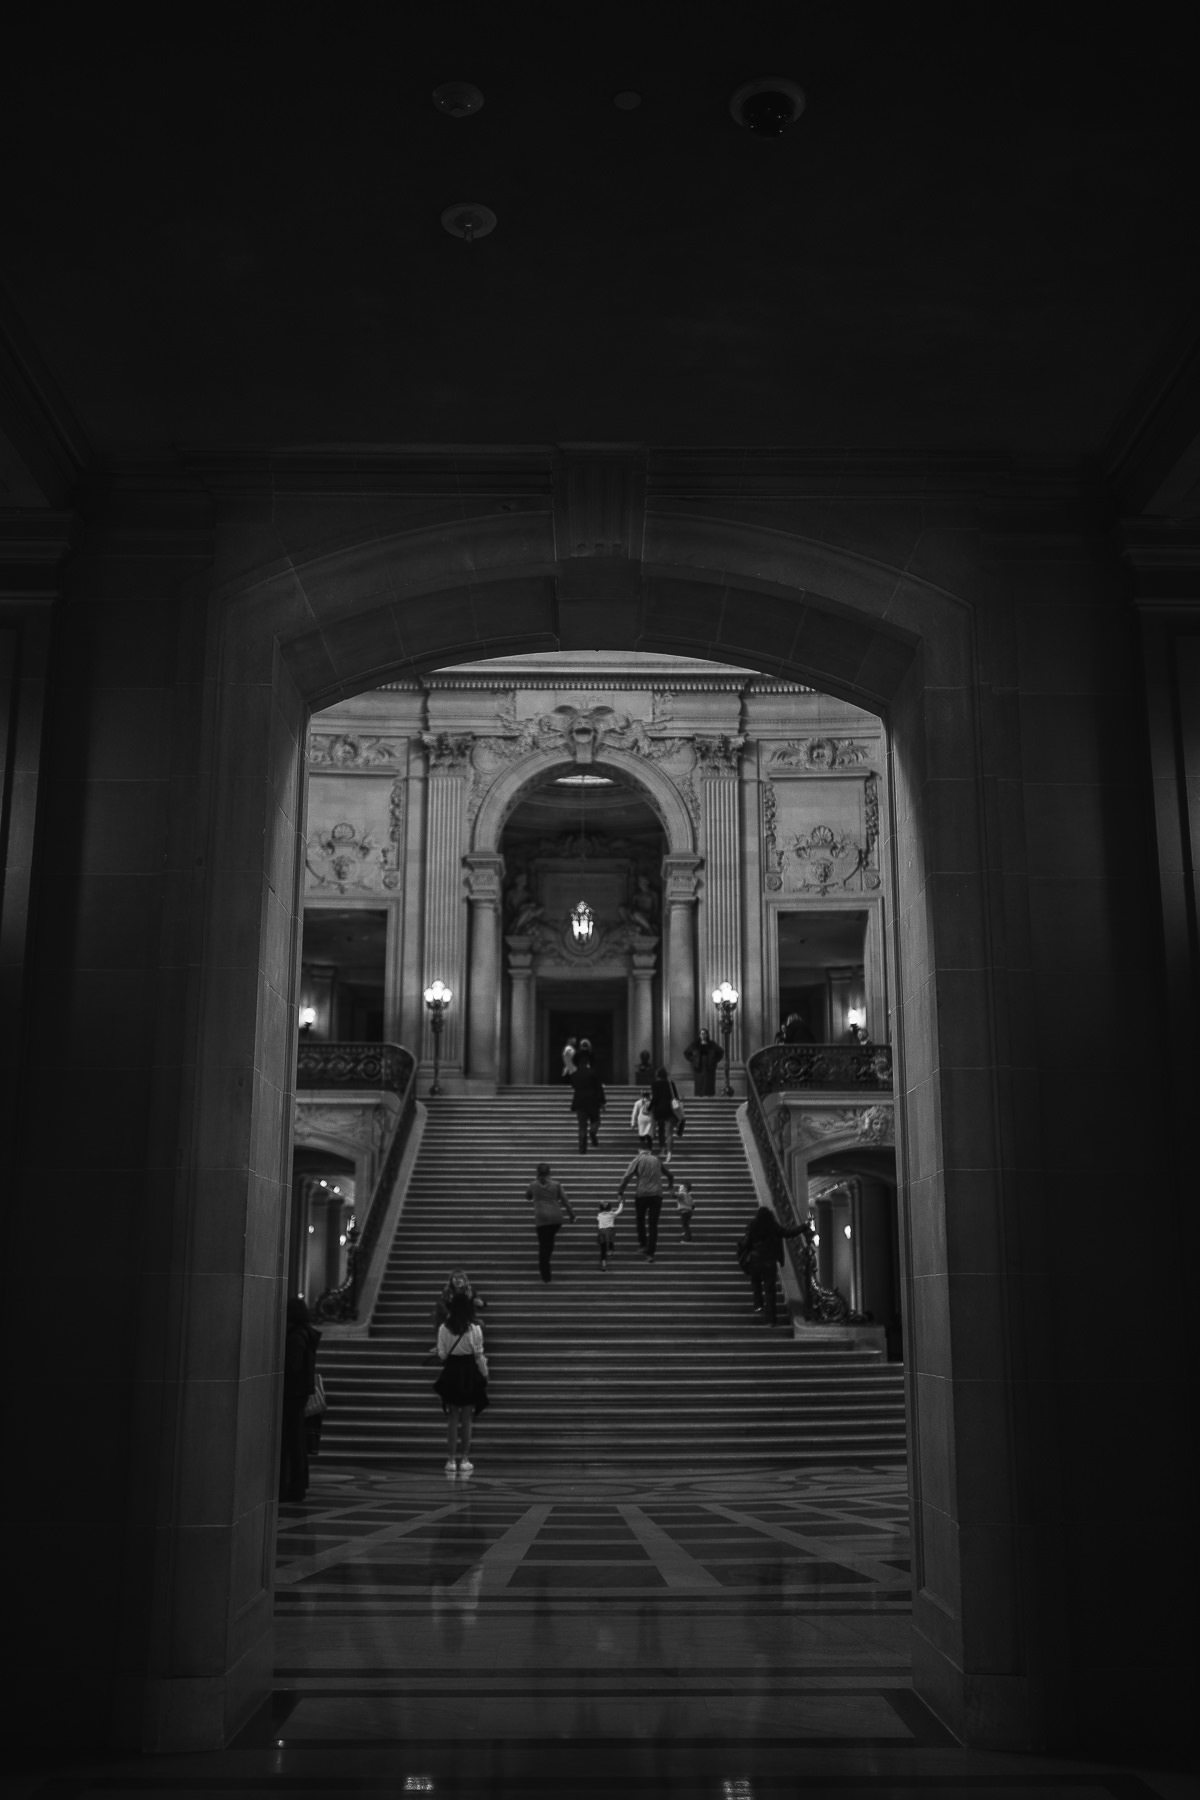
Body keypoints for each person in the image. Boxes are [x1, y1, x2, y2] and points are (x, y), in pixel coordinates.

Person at [434, 1290, 489, 1476]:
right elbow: (478, 1353)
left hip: (451, 1371)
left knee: (452, 1418)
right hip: (469, 1371)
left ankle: (450, 1459)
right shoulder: (474, 1329)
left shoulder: (443, 1328)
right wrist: (485, 1374)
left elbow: (441, 1354)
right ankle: (464, 1458)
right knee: (467, 1418)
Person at [280, 1295, 321, 1502]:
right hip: (299, 1393)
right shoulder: (305, 1333)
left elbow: (293, 1365)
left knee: (292, 1441)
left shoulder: (297, 1336)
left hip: (293, 1393)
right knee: (296, 1441)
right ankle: (296, 1485)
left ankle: (293, 1486)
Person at [740, 1205, 805, 1326]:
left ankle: (758, 1303)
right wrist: (802, 1228)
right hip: (769, 1261)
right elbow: (788, 1233)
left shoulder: (753, 1225)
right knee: (770, 1291)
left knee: (755, 1280)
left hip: (755, 1260)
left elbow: (747, 1243)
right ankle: (770, 1319)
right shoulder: (772, 1226)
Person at [525, 1161, 577, 1282]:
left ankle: (546, 1276)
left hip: (542, 1219)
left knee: (544, 1246)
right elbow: (565, 1201)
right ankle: (547, 1263)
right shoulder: (556, 1184)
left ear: (537, 1173)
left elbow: (528, 1196)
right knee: (549, 1243)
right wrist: (572, 1215)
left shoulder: (533, 1185)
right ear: (549, 1173)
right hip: (556, 1219)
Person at [616, 1141, 667, 1263]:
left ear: (640, 1150)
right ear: (650, 1150)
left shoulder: (638, 1159)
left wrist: (620, 1192)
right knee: (653, 1225)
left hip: (642, 1194)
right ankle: (651, 1254)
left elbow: (627, 1177)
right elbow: (670, 1175)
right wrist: (670, 1186)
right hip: (657, 1195)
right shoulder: (656, 1160)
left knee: (640, 1219)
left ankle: (643, 1244)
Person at [569, 1058, 607, 1152]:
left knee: (582, 1126)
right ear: (588, 1064)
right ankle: (592, 1132)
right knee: (596, 1120)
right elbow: (599, 1088)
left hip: (580, 1102)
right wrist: (603, 1101)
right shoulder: (594, 1073)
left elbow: (573, 1086)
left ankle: (582, 1148)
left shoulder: (575, 1074)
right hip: (593, 1101)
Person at [684, 1027, 724, 1096]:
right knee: (700, 1082)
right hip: (699, 1066)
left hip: (709, 1066)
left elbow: (720, 1052)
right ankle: (699, 1095)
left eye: (704, 1034)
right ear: (699, 1035)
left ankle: (709, 1095)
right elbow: (686, 1053)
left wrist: (715, 1060)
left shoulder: (712, 1044)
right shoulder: (695, 1044)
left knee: (709, 1082)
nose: (703, 1035)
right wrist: (693, 1059)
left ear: (707, 1035)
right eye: (702, 1034)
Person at [648, 1065, 678, 1151]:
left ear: (657, 1075)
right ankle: (669, 1152)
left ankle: (662, 1149)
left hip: (659, 1110)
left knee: (661, 1130)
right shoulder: (671, 1084)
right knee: (669, 1133)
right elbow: (676, 1096)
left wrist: (649, 1108)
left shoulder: (655, 1084)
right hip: (670, 1110)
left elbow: (655, 1098)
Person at [595, 1195, 624, 1271]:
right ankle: (611, 1250)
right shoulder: (612, 1214)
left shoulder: (599, 1215)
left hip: (602, 1232)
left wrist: (602, 1203)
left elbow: (598, 1218)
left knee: (603, 1249)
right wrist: (621, 1203)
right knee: (611, 1240)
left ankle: (603, 1264)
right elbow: (619, 1210)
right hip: (610, 1231)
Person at [671, 1175, 696, 1242]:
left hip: (684, 1212)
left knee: (685, 1225)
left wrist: (672, 1191)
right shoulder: (689, 1195)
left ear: (685, 1188)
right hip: (689, 1212)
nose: (679, 1189)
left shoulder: (682, 1194)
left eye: (680, 1187)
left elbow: (674, 1196)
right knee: (686, 1224)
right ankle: (686, 1233)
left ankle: (688, 1238)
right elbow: (693, 1205)